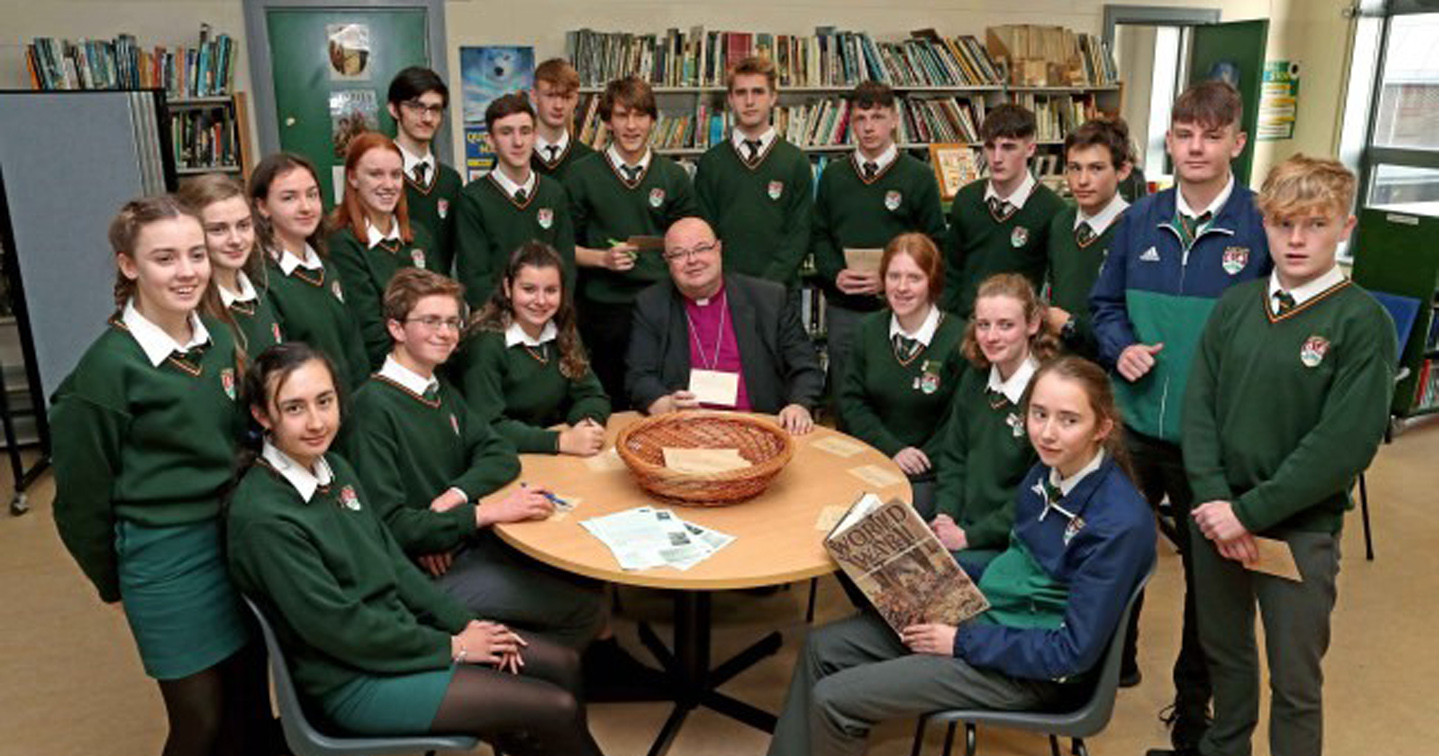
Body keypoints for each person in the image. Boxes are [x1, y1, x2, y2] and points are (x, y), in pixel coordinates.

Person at [767, 356, 1157, 756]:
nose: (1048, 433)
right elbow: (1016, 563)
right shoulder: (1047, 471)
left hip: (1026, 668)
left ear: (1102, 428)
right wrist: (924, 563)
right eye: (1038, 415)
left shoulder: (1119, 523)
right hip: (985, 617)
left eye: (1068, 420)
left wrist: (961, 641)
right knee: (822, 648)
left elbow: (1071, 652)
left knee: (835, 699)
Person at [227, 343, 605, 755]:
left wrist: (462, 623)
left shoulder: (333, 467)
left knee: (563, 664)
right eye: (295, 408)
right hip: (354, 678)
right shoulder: (264, 517)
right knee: (556, 707)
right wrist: (453, 646)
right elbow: (342, 631)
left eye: (325, 401)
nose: (317, 422)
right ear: (262, 416)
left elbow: (391, 561)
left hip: (397, 635)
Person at [1180, 155, 1395, 756]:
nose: (1297, 239)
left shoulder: (1361, 321)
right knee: (1226, 660)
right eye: (1282, 223)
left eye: (1316, 224)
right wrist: (1217, 500)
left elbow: (1341, 446)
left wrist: (1249, 513)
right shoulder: (1236, 305)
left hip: (1298, 532)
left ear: (1345, 227)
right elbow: (1198, 410)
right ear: (1264, 225)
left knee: (1295, 682)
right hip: (1215, 520)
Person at [50, 196, 277, 756]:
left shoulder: (220, 340)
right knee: (199, 719)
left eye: (196, 255)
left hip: (233, 540)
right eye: (165, 259)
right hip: (163, 560)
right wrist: (114, 582)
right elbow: (79, 503)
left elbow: (232, 441)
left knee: (250, 696)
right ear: (130, 266)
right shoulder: (107, 372)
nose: (187, 272)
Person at [1090, 80, 1270, 754]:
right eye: (1185, 133)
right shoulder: (1137, 220)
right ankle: (1116, 662)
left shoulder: (1259, 227)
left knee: (1209, 586)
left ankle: (1191, 721)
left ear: (1236, 144)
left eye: (1212, 135)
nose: (1196, 147)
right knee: (1116, 553)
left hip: (1212, 444)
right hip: (1135, 429)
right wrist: (1120, 347)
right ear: (1169, 138)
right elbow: (1102, 305)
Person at [342, 268, 604, 649]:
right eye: (430, 321)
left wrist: (454, 499)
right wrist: (484, 514)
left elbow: (499, 452)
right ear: (396, 329)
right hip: (418, 579)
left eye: (452, 321)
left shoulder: (438, 387)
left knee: (582, 572)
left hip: (460, 544)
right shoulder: (372, 408)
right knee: (585, 607)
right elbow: (393, 528)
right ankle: (510, 679)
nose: (446, 332)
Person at [811, 81, 946, 405]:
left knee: (897, 394)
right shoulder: (834, 175)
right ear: (850, 122)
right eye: (860, 118)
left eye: (878, 116)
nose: (869, 127)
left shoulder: (918, 176)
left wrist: (891, 281)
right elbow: (820, 234)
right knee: (847, 394)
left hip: (901, 307)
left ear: (895, 119)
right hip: (845, 308)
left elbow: (935, 242)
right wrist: (835, 274)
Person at [566, 75, 699, 405]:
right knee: (609, 397)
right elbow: (562, 247)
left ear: (653, 120)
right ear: (608, 121)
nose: (631, 125)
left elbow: (688, 246)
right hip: (602, 310)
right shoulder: (582, 175)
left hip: (662, 305)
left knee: (661, 396)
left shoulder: (674, 176)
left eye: (640, 115)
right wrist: (602, 259)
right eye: (622, 115)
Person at [625, 217, 823, 434]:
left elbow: (806, 367)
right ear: (667, 261)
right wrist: (665, 405)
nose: (692, 260)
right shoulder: (651, 304)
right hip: (685, 430)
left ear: (718, 249)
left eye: (701, 249)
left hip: (759, 429)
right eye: (679, 254)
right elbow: (638, 376)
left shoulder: (769, 298)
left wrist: (799, 405)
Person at [932, 273, 1058, 573]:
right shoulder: (974, 379)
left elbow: (1038, 492)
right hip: (961, 525)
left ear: (1033, 324)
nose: (991, 336)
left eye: (1006, 325)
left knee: (920, 581)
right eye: (983, 324)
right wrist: (945, 514)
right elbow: (954, 457)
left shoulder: (1048, 393)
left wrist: (969, 537)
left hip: (1011, 541)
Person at [837, 233, 966, 519]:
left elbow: (959, 420)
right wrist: (892, 450)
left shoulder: (959, 338)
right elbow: (852, 401)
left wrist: (916, 461)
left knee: (891, 531)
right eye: (894, 276)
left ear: (932, 282)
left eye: (914, 278)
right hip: (873, 459)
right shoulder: (868, 330)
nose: (902, 288)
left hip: (928, 474)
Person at [458, 241, 610, 456]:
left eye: (551, 290)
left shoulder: (562, 331)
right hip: (502, 456)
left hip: (554, 453)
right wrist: (559, 441)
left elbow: (591, 394)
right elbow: (486, 425)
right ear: (507, 288)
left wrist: (589, 423)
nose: (540, 301)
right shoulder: (486, 345)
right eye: (529, 289)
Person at [249, 152, 369, 390]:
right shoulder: (262, 280)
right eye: (289, 198)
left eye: (312, 195)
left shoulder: (327, 268)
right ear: (263, 206)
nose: (306, 207)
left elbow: (353, 346)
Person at [694, 55, 813, 287]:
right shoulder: (711, 162)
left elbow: (800, 233)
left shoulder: (795, 161)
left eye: (758, 92)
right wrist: (730, 282)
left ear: (773, 97)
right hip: (725, 289)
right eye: (741, 93)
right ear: (730, 99)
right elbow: (705, 233)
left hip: (781, 290)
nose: (749, 101)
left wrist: (768, 284)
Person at [941, 103, 1066, 319]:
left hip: (1016, 328)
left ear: (1030, 149)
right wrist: (949, 321)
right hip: (964, 323)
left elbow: (1056, 283)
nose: (997, 158)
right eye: (990, 146)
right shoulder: (966, 198)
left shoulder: (1052, 209)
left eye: (1008, 147)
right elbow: (951, 271)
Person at [455, 93, 576, 307]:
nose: (518, 142)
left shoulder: (554, 192)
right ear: (491, 141)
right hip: (496, 322)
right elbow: (474, 280)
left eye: (525, 131)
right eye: (506, 132)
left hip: (547, 317)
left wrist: (549, 312)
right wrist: (513, 321)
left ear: (535, 136)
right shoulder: (472, 198)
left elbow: (566, 266)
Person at [328, 132, 433, 368]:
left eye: (396, 175)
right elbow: (370, 331)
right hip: (383, 373)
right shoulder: (342, 243)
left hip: (432, 365)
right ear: (353, 178)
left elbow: (442, 304)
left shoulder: (419, 237)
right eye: (376, 174)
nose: (388, 185)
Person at [1044, 119, 1133, 360]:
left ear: (1122, 170)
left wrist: (1072, 326)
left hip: (1110, 368)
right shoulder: (1061, 222)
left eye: (1096, 168)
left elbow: (1135, 325)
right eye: (1074, 168)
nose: (1082, 180)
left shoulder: (1136, 229)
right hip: (1059, 362)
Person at [179, 173, 286, 353]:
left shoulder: (262, 293)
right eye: (218, 230)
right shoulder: (191, 314)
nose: (235, 239)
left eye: (243, 225)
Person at [388, 65, 463, 275]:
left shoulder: (451, 180)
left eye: (435, 109)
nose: (427, 118)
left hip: (442, 297)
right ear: (394, 109)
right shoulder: (380, 178)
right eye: (416, 107)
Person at [531, 58, 596, 183]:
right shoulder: (512, 157)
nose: (558, 106)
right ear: (534, 96)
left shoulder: (590, 160)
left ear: (576, 99)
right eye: (550, 95)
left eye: (567, 97)